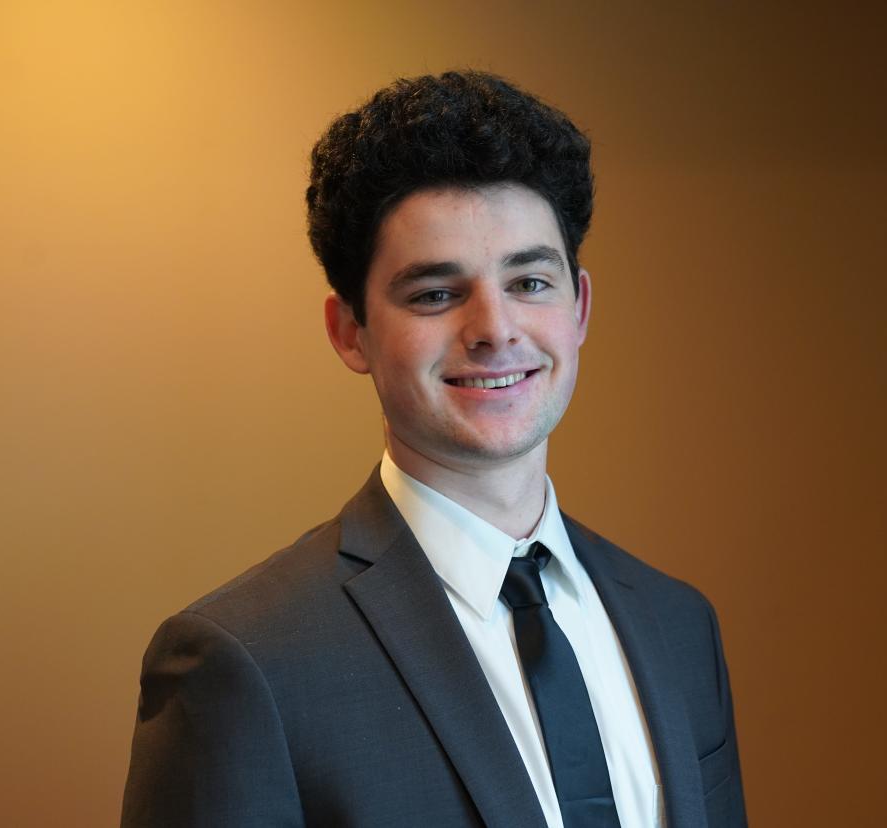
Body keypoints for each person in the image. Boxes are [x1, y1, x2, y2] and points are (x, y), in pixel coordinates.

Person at [120, 70, 746, 828]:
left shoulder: (678, 626)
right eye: (436, 294)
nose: (495, 329)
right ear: (350, 332)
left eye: (530, 281)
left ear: (579, 308)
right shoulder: (245, 660)